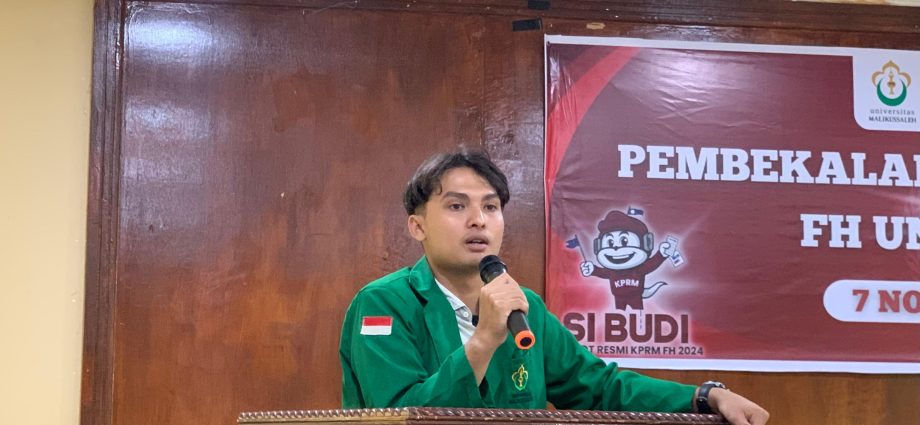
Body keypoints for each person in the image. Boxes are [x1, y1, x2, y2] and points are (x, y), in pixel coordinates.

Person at [339, 147, 769, 425]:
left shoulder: (524, 306)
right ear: (417, 226)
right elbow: (399, 416)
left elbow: (598, 387)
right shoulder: (383, 305)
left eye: (491, 207)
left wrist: (703, 397)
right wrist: (484, 340)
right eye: (456, 206)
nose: (478, 220)